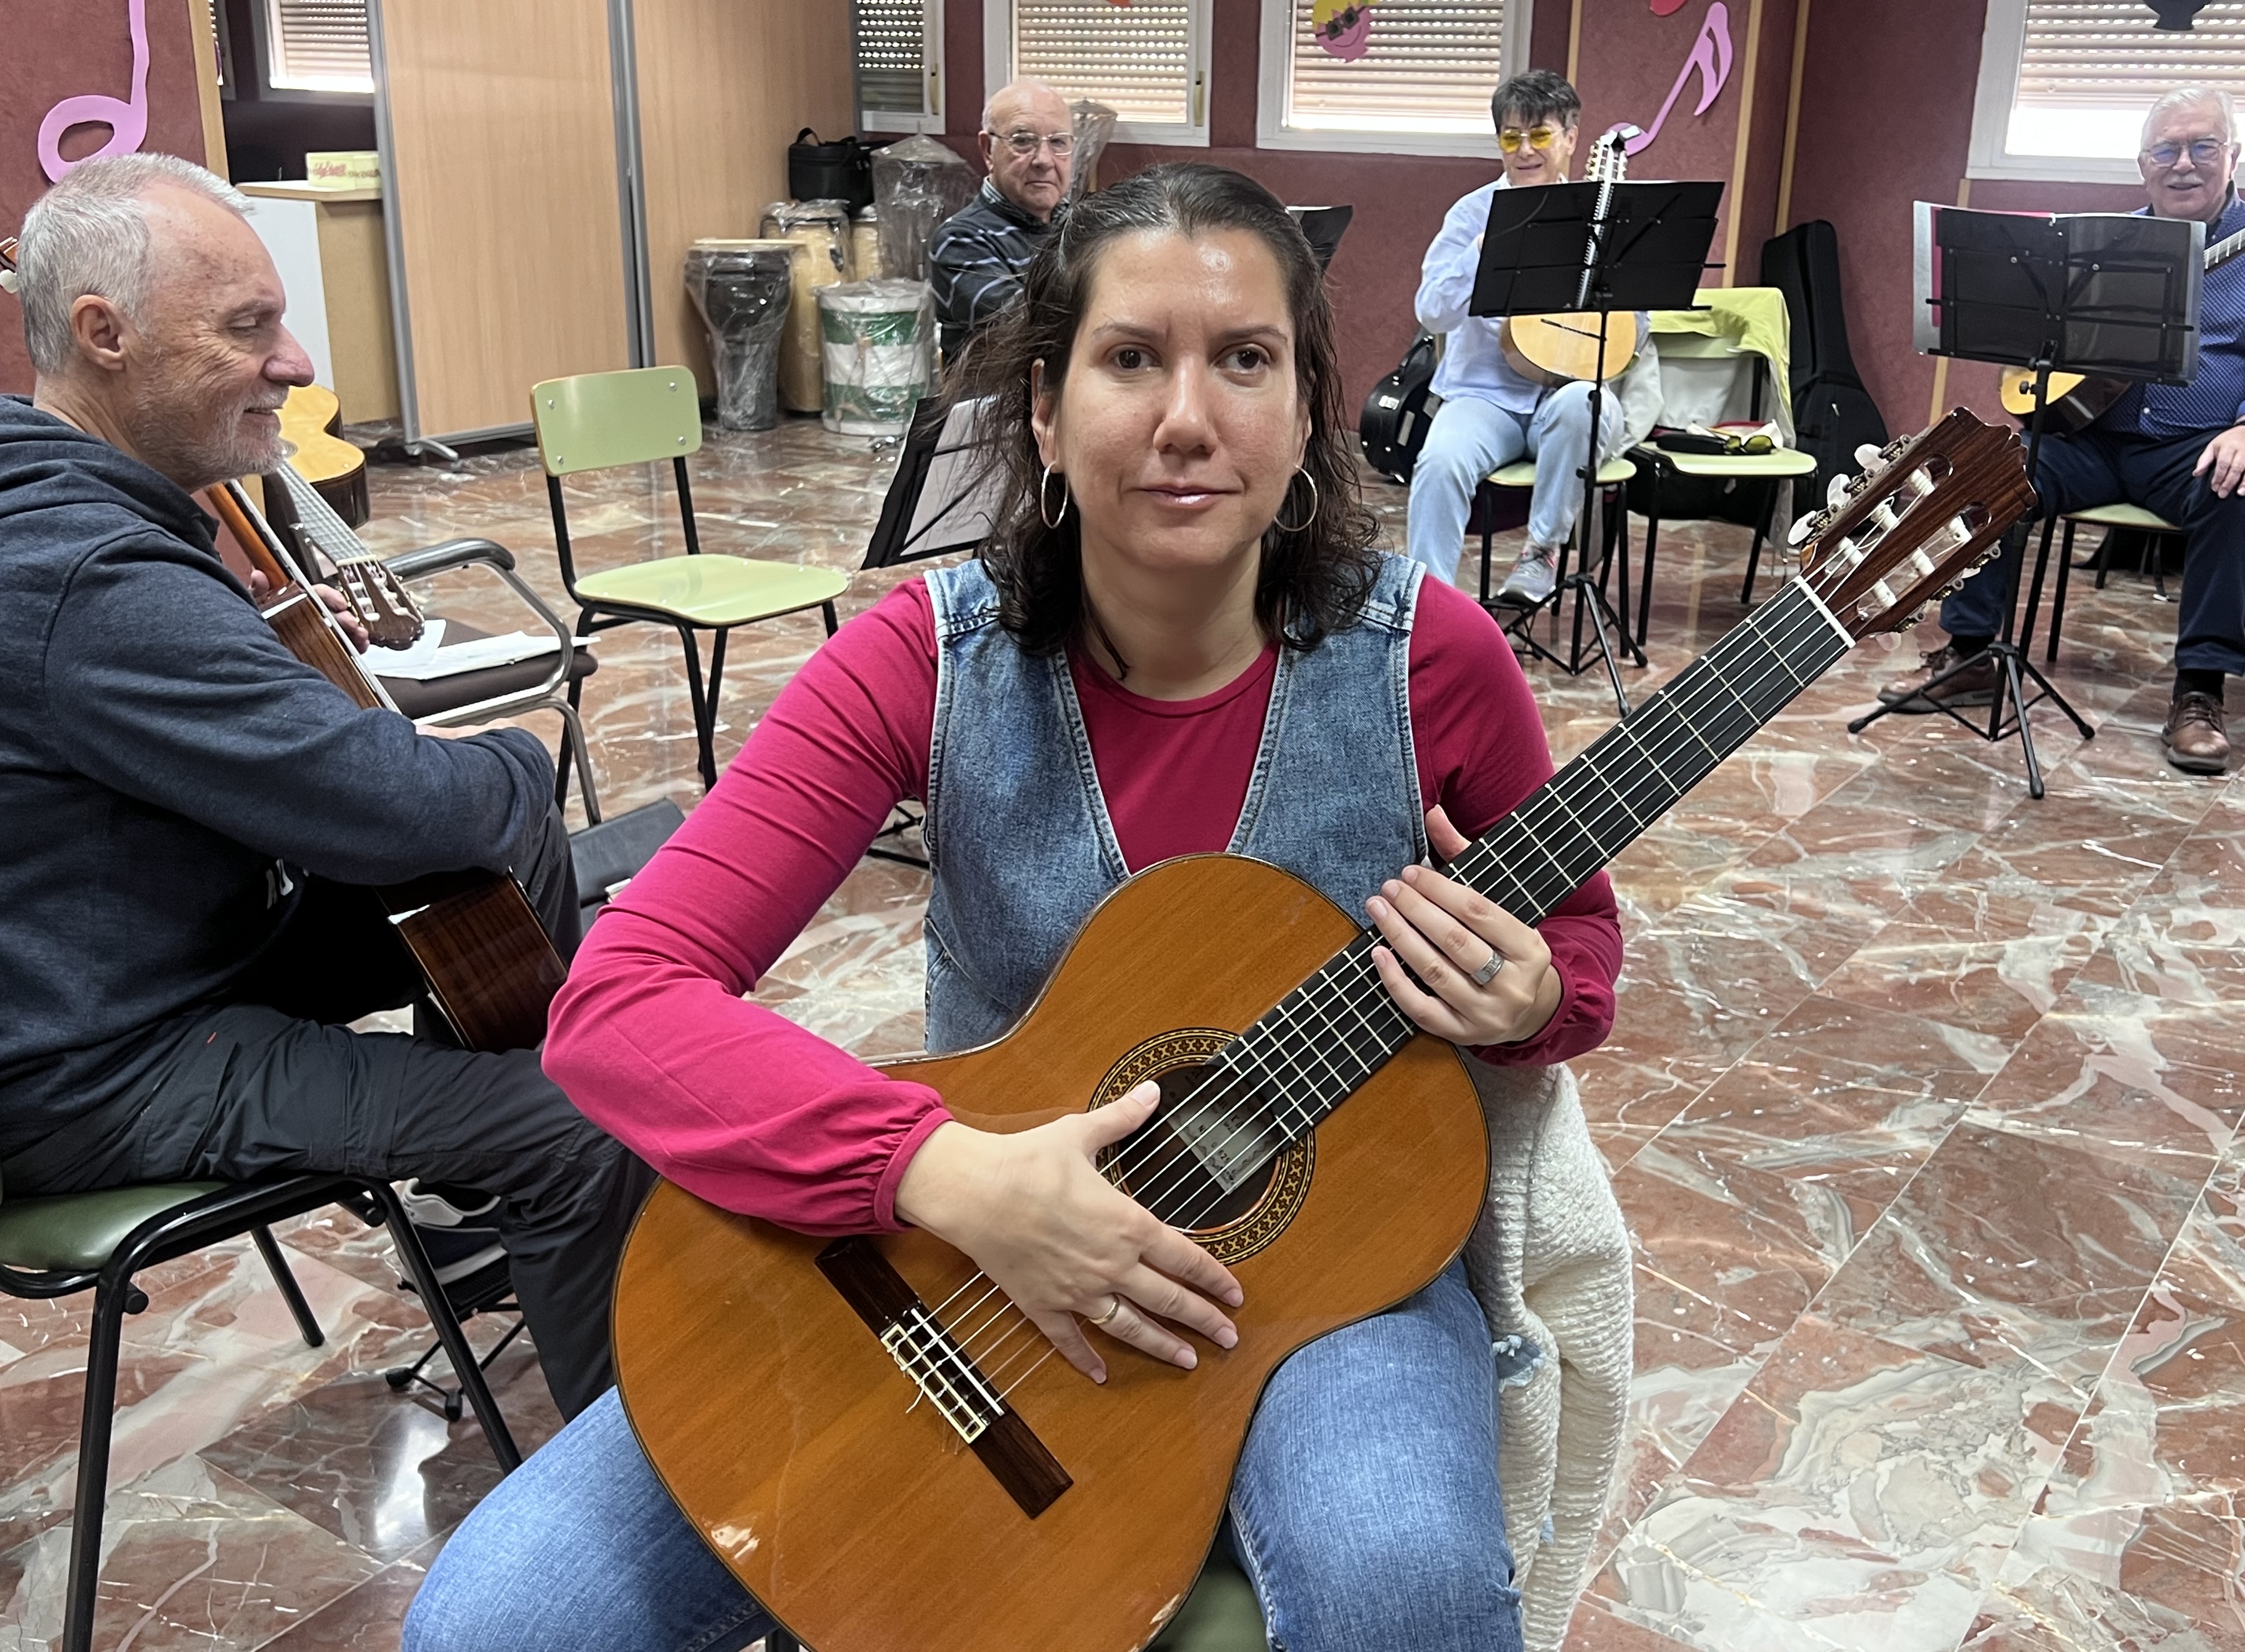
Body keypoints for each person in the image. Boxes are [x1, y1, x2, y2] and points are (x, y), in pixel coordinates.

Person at [404, 164, 1634, 1652]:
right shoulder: (921, 662)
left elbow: (1579, 943)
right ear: (1044, 412)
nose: (1189, 418)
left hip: (1327, 1275)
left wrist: (1531, 998)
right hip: (939, 1258)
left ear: (1310, 406)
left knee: (1409, 1594)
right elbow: (619, 1003)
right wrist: (954, 1178)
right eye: (1133, 358)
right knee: (496, 1624)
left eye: (1247, 360)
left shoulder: (1431, 659)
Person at [0, 153, 652, 1420]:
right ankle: (631, 1485)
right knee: (582, 1123)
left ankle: (493, 1184)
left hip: (140, 955)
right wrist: (521, 759)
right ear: (104, 335)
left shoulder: (59, 498)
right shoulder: (90, 576)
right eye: (247, 328)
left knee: (499, 866)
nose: (294, 363)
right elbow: (397, 807)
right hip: (92, 1063)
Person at [1879, 86, 2245, 774]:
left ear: (2233, 157)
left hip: (2198, 448)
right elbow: (2040, 335)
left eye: (2203, 146)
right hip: (2088, 439)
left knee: (2240, 491)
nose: (2184, 163)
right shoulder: (2099, 245)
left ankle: (2199, 692)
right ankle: (1971, 658)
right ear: (2143, 165)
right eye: (2166, 150)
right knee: (1986, 471)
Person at [1404, 69, 1662, 605]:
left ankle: (1541, 553)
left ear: (1570, 138)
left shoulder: (1604, 221)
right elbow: (1431, 313)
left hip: (1565, 401)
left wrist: (1608, 307)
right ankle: (1430, 605)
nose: (1525, 150)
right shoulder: (1471, 214)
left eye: (1540, 134)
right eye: (1511, 137)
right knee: (1439, 463)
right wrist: (1480, 252)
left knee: (1585, 404)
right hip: (1482, 398)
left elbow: (1634, 332)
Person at [927, 78, 1074, 357]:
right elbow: (1029, 331)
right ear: (988, 150)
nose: (1044, 160)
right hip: (1008, 387)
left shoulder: (1079, 225)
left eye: (1058, 142)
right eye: (1023, 141)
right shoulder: (960, 241)